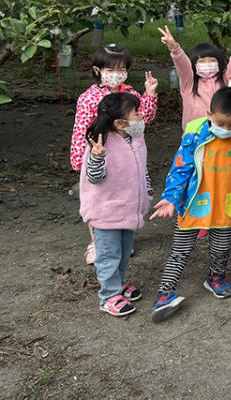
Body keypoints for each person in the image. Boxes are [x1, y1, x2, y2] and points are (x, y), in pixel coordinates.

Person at [149, 87, 231, 322]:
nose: (226, 129)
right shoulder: (196, 134)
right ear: (209, 114)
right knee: (180, 250)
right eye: (221, 123)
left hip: (227, 202)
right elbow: (181, 168)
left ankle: (215, 277)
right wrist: (171, 197)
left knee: (222, 246)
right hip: (195, 203)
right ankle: (165, 292)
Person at [70, 44, 158, 264]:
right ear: (98, 70)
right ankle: (96, 242)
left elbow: (144, 116)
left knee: (124, 195)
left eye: (120, 69)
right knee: (99, 197)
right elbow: (82, 128)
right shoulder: (89, 97)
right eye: (110, 69)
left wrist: (149, 93)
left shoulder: (130, 93)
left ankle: (122, 239)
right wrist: (81, 157)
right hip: (101, 154)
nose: (116, 74)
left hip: (126, 155)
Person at [79, 93, 150, 317]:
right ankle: (108, 296)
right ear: (120, 123)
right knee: (108, 256)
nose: (141, 117)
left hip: (128, 210)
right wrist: (97, 157)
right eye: (136, 114)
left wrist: (147, 193)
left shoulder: (135, 139)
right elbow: (94, 178)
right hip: (107, 212)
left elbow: (142, 170)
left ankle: (119, 285)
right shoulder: (101, 145)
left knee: (122, 253)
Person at [159, 21, 231, 130]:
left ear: (219, 62)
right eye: (202, 61)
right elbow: (182, 63)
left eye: (212, 60)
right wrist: (174, 47)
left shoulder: (225, 79)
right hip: (194, 134)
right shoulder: (189, 82)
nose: (207, 64)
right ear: (194, 64)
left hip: (222, 131)